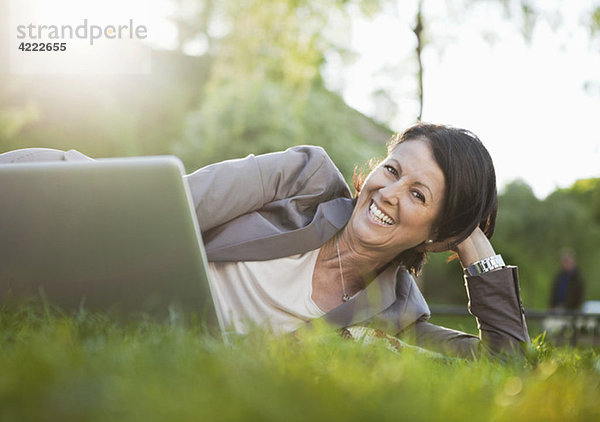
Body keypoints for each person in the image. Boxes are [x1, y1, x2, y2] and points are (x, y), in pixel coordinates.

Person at [0, 123, 530, 358]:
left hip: (162, 345)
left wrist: (475, 248)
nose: (388, 193)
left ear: (439, 234)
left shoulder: (396, 314)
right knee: (56, 174)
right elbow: (166, 206)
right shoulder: (302, 178)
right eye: (391, 170)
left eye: (418, 195)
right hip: (112, 261)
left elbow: (505, 367)